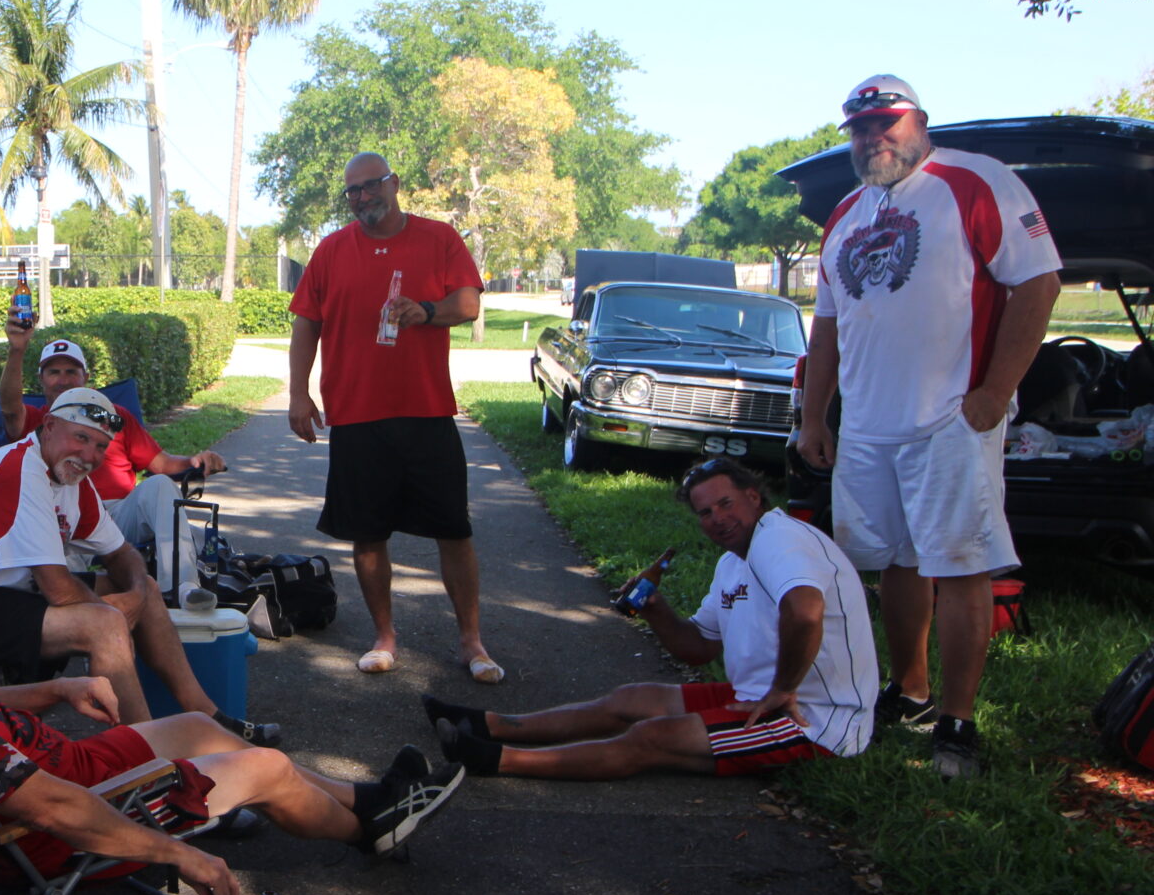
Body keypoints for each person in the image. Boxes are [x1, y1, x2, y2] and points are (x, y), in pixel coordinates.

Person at [0, 535, 467, 878]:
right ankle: (371, 831)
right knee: (265, 768)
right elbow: (46, 806)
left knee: (194, 725)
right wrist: (176, 853)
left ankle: (369, 798)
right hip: (74, 809)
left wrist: (54, 689)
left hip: (70, 759)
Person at [797, 75, 1063, 779]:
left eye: (887, 122)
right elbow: (827, 325)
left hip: (951, 417)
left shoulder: (976, 181)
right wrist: (814, 415)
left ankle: (957, 719)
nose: (872, 136)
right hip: (869, 425)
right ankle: (910, 691)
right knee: (896, 559)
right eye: (859, 127)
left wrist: (996, 391)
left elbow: (1038, 283)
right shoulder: (847, 212)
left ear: (919, 121)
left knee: (961, 561)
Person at [425, 458, 878, 781]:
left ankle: (493, 758)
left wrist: (783, 689)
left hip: (817, 720)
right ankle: (491, 723)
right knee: (631, 698)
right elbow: (696, 649)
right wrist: (654, 607)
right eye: (705, 512)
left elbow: (804, 611)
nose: (718, 519)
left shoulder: (780, 539)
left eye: (726, 504)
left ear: (754, 497)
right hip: (755, 695)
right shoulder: (733, 563)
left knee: (649, 738)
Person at [0, 385, 280, 746]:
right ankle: (150, 762)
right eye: (80, 437)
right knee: (104, 624)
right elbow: (58, 589)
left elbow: (121, 552)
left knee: (147, 589)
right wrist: (118, 614)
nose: (88, 455)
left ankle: (206, 716)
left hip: (9, 596)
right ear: (48, 426)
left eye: (100, 446)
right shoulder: (17, 472)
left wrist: (138, 592)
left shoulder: (71, 478)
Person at [288, 151, 504, 683]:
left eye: (370, 186)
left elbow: (469, 305)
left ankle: (472, 642)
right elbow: (306, 324)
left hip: (427, 410)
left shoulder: (439, 238)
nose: (362, 197)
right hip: (356, 414)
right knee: (368, 534)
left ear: (394, 184)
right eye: (353, 191)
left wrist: (426, 311)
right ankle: (384, 638)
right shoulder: (332, 249)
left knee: (453, 531)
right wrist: (299, 394)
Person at [0, 319, 225, 598]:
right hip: (65, 519)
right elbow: (9, 409)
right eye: (53, 372)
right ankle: (81, 617)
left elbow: (161, 464)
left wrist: (194, 462)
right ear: (41, 381)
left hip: (118, 515)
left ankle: (181, 588)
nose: (63, 379)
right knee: (56, 548)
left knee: (161, 486)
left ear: (87, 377)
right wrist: (16, 350)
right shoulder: (40, 421)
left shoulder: (114, 416)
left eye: (71, 371)